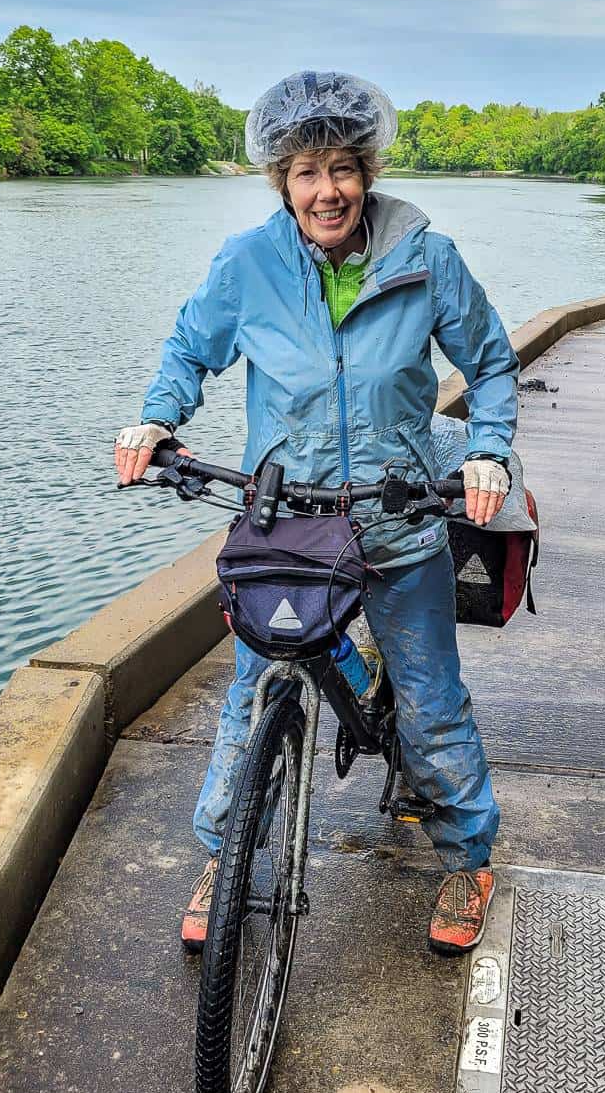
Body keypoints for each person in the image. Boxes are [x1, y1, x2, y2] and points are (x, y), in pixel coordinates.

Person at [115, 71, 519, 956]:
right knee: (253, 695)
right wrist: (156, 417)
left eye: (342, 168)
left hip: (401, 517)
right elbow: (191, 350)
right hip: (287, 526)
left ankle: (467, 860)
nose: (327, 190)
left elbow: (490, 362)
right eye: (306, 172)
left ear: (367, 173)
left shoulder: (426, 258)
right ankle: (227, 858)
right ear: (281, 182)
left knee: (428, 701)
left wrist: (487, 449)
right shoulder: (248, 265)